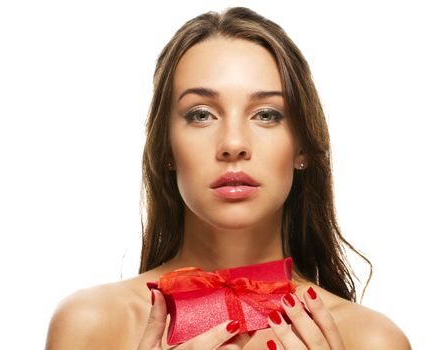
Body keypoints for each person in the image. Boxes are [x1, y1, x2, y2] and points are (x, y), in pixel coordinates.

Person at [45, 6, 411, 349]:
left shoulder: (370, 339)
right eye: (201, 114)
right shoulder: (90, 325)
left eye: (267, 114)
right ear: (166, 149)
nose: (233, 144)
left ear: (301, 147)